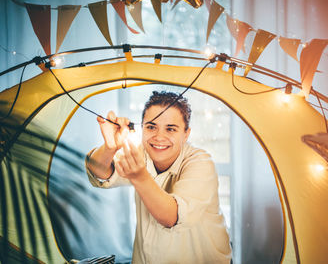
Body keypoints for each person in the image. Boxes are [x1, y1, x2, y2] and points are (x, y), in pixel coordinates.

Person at [85, 91, 231, 263]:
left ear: (186, 134)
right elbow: (99, 172)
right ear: (142, 127)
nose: (159, 137)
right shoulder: (141, 153)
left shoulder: (200, 162)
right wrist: (109, 147)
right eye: (151, 127)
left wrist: (140, 177)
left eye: (170, 129)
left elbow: (172, 217)